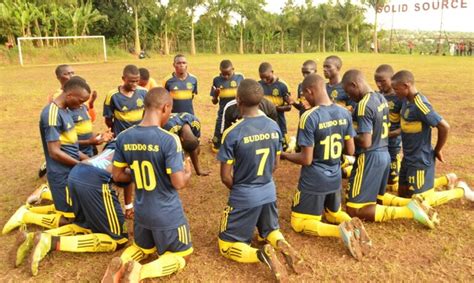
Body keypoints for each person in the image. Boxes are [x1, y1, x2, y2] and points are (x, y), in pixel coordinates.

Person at [102, 87, 193, 282]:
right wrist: (187, 173)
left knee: (142, 248)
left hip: (142, 213)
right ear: (166, 108)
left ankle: (120, 264)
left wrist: (135, 172)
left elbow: (117, 175)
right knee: (182, 255)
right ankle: (139, 273)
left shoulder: (124, 137)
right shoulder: (169, 139)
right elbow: (177, 183)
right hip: (167, 215)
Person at [217, 79, 303, 281]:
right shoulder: (274, 127)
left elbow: (225, 177)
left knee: (226, 246)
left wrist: (240, 191)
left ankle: (261, 254)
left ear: (238, 100)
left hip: (245, 195)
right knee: (270, 230)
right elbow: (275, 165)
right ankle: (282, 243)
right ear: (261, 100)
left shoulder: (232, 133)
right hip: (268, 191)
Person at [281, 74, 371, 260]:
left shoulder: (309, 117)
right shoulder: (344, 113)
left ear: (309, 91)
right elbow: (351, 150)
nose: (305, 100)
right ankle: (350, 223)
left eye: (305, 96)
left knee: (299, 223)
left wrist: (284, 155)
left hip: (315, 179)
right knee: (333, 213)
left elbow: (306, 159)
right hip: (335, 176)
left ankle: (340, 232)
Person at [341, 70, 439, 229]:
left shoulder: (363, 105)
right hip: (384, 154)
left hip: (369, 157)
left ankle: (408, 211)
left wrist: (347, 134)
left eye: (347, 91)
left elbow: (365, 142)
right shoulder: (380, 98)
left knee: (354, 209)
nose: (348, 95)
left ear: (354, 85)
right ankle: (412, 203)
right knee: (377, 198)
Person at [14, 142, 128, 276]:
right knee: (119, 239)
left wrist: (128, 204)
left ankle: (31, 238)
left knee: (85, 225)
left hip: (77, 172)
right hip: (93, 181)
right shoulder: (148, 145)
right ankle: (50, 242)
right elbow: (122, 176)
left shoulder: (121, 139)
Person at [2, 77, 92, 235]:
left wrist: (89, 160)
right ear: (70, 95)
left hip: (71, 170)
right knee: (71, 220)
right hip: (61, 173)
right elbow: (54, 152)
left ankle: (42, 198)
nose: (81, 105)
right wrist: (79, 165)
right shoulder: (51, 114)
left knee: (78, 213)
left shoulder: (66, 111)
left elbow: (70, 145)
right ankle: (27, 216)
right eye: (80, 100)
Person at [390, 70, 474, 205]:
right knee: (404, 195)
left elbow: (444, 126)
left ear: (406, 86)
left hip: (420, 160)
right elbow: (407, 125)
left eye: (396, 89)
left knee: (421, 202)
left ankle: (461, 190)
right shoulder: (405, 100)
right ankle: (447, 179)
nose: (395, 92)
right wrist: (390, 134)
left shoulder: (420, 105)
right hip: (408, 158)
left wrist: (438, 149)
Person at [374, 64, 403, 192]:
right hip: (379, 143)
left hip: (393, 143)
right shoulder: (377, 96)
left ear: (392, 79)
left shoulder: (399, 98)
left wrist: (388, 134)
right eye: (376, 81)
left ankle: (447, 179)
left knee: (392, 182)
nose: (379, 85)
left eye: (382, 81)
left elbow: (404, 126)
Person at [210, 60, 244, 152]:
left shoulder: (240, 77)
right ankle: (218, 142)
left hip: (238, 111)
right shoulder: (216, 80)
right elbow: (214, 101)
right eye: (223, 74)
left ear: (233, 69)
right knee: (216, 148)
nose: (226, 76)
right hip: (223, 113)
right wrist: (216, 95)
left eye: (228, 74)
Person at [103, 64, 148, 136]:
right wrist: (114, 132)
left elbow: (147, 113)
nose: (135, 84)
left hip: (140, 135)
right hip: (121, 135)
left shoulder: (144, 92)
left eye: (137, 81)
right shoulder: (113, 96)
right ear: (123, 79)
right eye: (132, 81)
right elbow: (108, 119)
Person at [258, 62, 293, 150]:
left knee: (283, 149)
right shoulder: (258, 85)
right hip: (263, 122)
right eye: (262, 78)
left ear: (272, 72)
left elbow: (289, 107)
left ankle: (290, 143)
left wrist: (275, 108)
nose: (264, 80)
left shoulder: (282, 86)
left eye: (267, 77)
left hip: (279, 121)